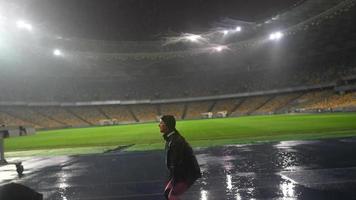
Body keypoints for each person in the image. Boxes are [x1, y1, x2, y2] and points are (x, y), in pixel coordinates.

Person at [159, 115, 201, 200]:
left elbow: (177, 163)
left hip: (187, 174)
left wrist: (174, 179)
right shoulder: (171, 138)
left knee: (171, 196)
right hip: (182, 172)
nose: (159, 125)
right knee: (168, 194)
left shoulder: (175, 141)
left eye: (161, 123)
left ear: (167, 125)